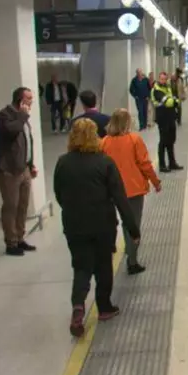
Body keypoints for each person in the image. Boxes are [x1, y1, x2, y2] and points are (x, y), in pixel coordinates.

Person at [54, 118, 139, 337]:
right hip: (102, 225)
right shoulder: (105, 162)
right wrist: (133, 229)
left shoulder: (63, 163)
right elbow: (120, 198)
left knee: (81, 267)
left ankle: (78, 306)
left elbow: (59, 194)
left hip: (74, 225)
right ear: (95, 137)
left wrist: (73, 210)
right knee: (103, 266)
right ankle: (105, 308)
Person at [102, 108, 161, 275]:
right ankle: (132, 260)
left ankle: (125, 250)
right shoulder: (134, 139)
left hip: (112, 190)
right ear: (127, 122)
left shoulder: (104, 142)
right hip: (133, 189)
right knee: (133, 224)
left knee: (122, 221)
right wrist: (155, 182)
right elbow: (145, 164)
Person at [0, 87, 39, 256]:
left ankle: (20, 237)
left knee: (23, 205)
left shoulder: (22, 118)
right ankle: (11, 242)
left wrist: (31, 163)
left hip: (24, 167)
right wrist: (22, 116)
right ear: (20, 100)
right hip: (9, 169)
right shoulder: (4, 116)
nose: (31, 102)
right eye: (29, 99)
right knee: (11, 206)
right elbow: (10, 132)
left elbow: (27, 141)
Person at [151, 71, 183, 172]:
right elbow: (169, 102)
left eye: (165, 79)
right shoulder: (156, 89)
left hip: (170, 117)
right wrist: (175, 101)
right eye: (162, 79)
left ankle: (172, 163)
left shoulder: (167, 87)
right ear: (159, 79)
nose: (163, 81)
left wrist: (175, 101)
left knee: (171, 140)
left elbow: (175, 99)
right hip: (162, 118)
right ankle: (162, 165)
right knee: (163, 141)